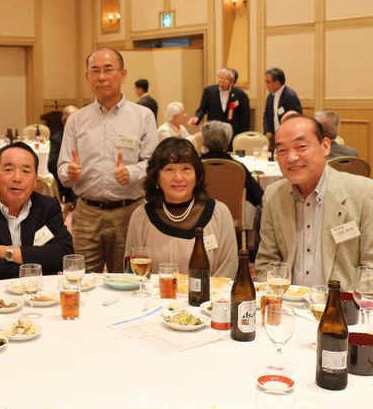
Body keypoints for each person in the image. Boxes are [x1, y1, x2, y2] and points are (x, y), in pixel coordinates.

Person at [255, 115, 373, 306]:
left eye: (301, 147)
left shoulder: (366, 194)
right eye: (282, 150)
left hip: (350, 309)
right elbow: (266, 262)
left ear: (325, 146)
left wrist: (340, 310)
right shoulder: (273, 196)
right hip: (289, 309)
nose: (291, 157)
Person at [58, 47, 158, 273]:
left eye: (108, 70)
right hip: (87, 214)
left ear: (123, 74)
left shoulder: (142, 116)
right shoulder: (76, 120)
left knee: (127, 280)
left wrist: (131, 173)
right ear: (87, 77)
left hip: (129, 213)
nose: (101, 77)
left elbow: (153, 164)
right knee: (81, 280)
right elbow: (63, 168)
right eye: (95, 71)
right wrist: (69, 172)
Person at [0, 142, 74, 282]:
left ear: (35, 180)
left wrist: (8, 252)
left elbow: (65, 255)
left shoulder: (48, 207)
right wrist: (41, 265)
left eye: (26, 171)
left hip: (40, 291)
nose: (17, 178)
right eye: (9, 169)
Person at [124, 138, 237, 278]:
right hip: (155, 293)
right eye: (169, 169)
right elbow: (134, 275)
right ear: (156, 176)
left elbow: (228, 271)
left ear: (197, 175)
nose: (178, 177)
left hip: (208, 293)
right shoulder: (141, 217)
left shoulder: (219, 214)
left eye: (186, 169)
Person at [199, 121, 264, 208]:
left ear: (204, 143)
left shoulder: (196, 166)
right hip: (231, 216)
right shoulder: (238, 168)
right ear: (227, 143)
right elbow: (259, 198)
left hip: (200, 215)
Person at [188, 67, 250, 139]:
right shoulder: (209, 91)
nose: (222, 83)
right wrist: (197, 117)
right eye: (220, 79)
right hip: (213, 132)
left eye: (225, 80)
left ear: (232, 81)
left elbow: (244, 118)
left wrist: (242, 136)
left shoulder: (240, 95)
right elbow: (202, 109)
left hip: (232, 133)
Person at [47, 104, 78, 203]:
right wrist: (68, 171)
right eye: (74, 118)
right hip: (68, 185)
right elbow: (52, 164)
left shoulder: (83, 135)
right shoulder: (57, 139)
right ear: (64, 121)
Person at [263, 67, 303, 139]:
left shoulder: (290, 96)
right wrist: (267, 131)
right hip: (273, 137)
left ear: (277, 83)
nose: (266, 85)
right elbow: (266, 116)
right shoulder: (270, 96)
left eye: (268, 82)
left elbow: (296, 118)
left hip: (288, 136)